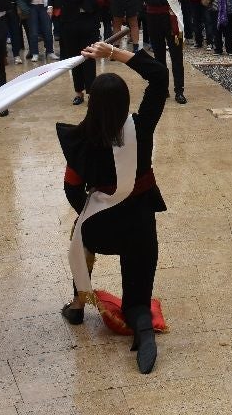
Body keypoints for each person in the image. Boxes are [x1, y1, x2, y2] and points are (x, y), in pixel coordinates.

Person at [58, 40, 169, 374]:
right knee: (136, 300)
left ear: (91, 103)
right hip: (139, 225)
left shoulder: (81, 138)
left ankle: (78, 304)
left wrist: (91, 210)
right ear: (125, 102)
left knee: (80, 231)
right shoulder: (142, 126)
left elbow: (72, 189)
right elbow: (160, 77)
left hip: (101, 228)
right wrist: (115, 54)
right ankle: (143, 328)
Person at [46, 0, 105, 105]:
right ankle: (79, 92)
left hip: (88, 26)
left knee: (89, 60)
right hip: (70, 27)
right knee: (75, 60)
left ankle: (92, 92)